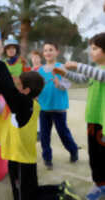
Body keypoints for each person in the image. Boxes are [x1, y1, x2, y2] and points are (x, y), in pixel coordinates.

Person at [0, 37, 81, 200]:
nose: (15, 86)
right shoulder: (31, 103)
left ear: (25, 91)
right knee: (30, 191)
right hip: (23, 157)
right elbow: (6, 87)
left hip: (20, 159)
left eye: (18, 85)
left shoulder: (23, 105)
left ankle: (60, 197)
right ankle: (60, 189)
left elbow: (8, 88)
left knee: (24, 197)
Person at [53, 32, 105, 200]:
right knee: (95, 156)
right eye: (91, 48)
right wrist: (65, 73)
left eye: (95, 48)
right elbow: (82, 78)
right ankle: (100, 185)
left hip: (104, 123)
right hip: (93, 119)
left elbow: (101, 76)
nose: (91, 52)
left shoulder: (100, 71)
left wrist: (77, 65)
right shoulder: (95, 69)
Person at [37, 42, 79, 170]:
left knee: (63, 133)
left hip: (59, 108)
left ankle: (73, 150)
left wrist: (59, 84)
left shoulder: (61, 67)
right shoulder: (39, 70)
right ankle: (47, 158)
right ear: (43, 54)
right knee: (44, 135)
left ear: (57, 52)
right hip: (44, 108)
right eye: (45, 50)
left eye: (51, 50)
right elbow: (38, 88)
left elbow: (68, 85)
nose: (48, 52)